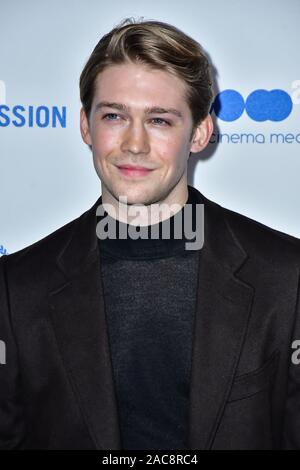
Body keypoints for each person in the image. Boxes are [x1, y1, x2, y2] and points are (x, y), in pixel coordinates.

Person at [0, 17, 300, 450]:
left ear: (199, 132)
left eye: (159, 120)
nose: (134, 144)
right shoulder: (17, 288)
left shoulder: (285, 277)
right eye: (114, 116)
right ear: (86, 125)